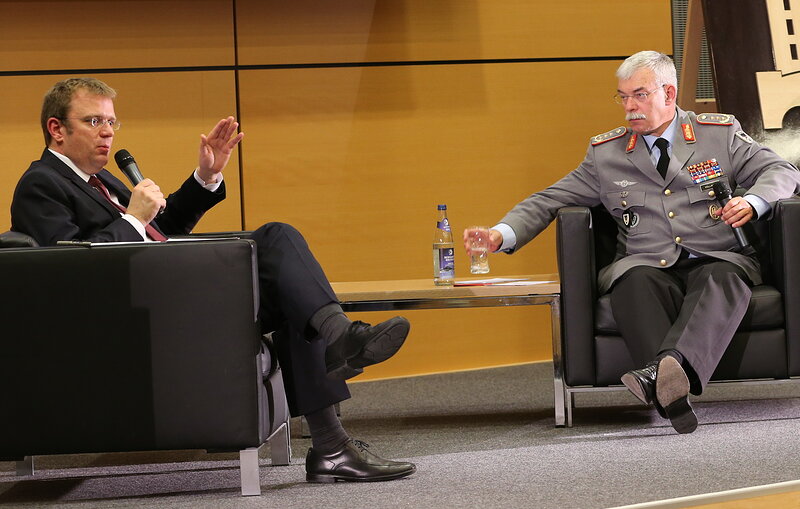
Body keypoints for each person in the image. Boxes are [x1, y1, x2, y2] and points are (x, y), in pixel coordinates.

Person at [11, 77, 416, 482]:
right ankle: (340, 341)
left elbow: (161, 236)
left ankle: (332, 444)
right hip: (126, 322)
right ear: (57, 129)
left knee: (292, 286)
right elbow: (69, 271)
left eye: (113, 122)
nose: (107, 132)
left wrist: (205, 178)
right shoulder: (41, 185)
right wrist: (133, 217)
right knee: (276, 239)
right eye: (94, 120)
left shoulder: (100, 183)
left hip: (164, 299)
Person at [463, 50, 800, 434]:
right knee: (631, 283)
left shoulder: (717, 134)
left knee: (722, 280)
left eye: (639, 95)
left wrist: (753, 202)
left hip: (717, 255)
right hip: (646, 261)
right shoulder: (606, 153)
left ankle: (660, 377)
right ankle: (671, 380)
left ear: (669, 94)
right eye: (622, 97)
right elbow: (550, 198)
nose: (629, 108)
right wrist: (499, 234)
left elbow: (780, 169)